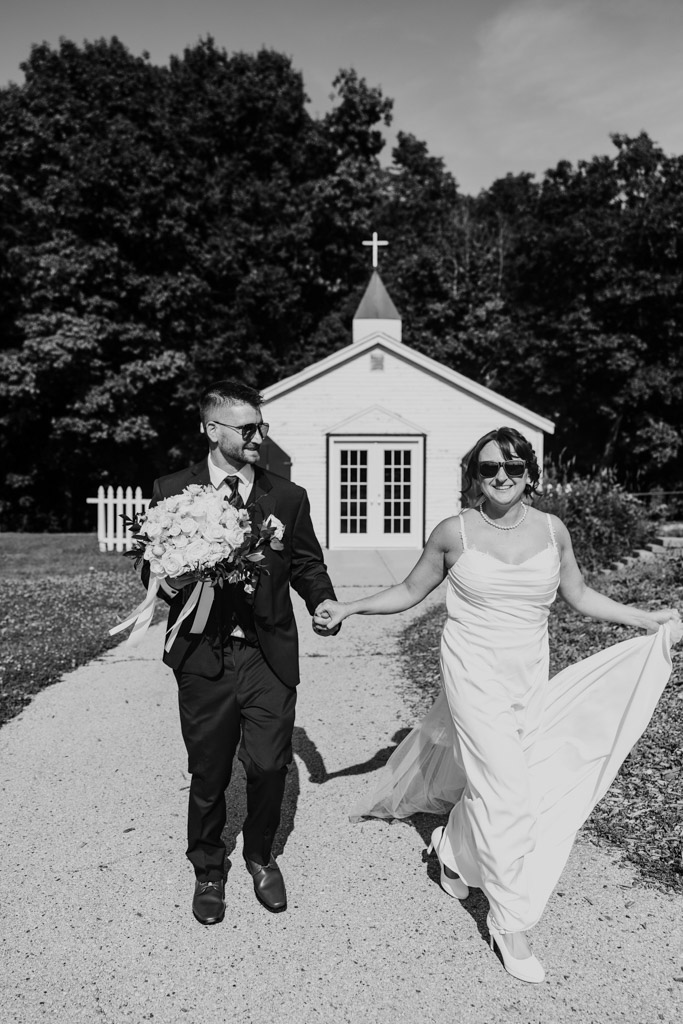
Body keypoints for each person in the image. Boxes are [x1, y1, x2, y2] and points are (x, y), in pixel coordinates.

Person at [314, 426, 681, 983]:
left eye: (511, 466)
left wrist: (645, 618)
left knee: (505, 781)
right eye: (489, 469)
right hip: (471, 675)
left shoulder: (554, 530)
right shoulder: (452, 533)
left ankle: (452, 849)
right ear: (475, 477)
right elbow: (410, 592)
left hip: (527, 678)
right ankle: (510, 924)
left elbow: (578, 595)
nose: (501, 476)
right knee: (509, 796)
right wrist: (350, 609)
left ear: (530, 473)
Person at [144, 380, 339, 926]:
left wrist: (322, 602)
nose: (258, 436)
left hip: (266, 652)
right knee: (208, 769)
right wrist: (168, 580)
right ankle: (208, 866)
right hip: (202, 654)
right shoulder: (172, 489)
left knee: (271, 763)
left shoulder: (286, 496)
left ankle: (259, 855)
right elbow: (150, 564)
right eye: (247, 428)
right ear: (212, 429)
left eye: (262, 426)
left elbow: (306, 564)